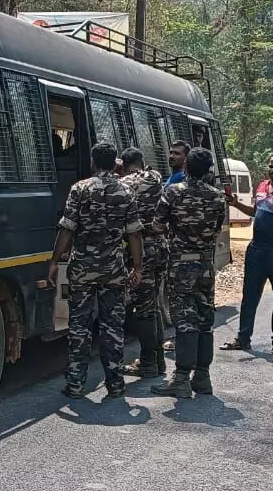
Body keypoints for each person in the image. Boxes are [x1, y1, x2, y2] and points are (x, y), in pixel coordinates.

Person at [49, 141, 144, 399]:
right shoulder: (126, 191)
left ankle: (76, 384)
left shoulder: (79, 189)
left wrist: (54, 262)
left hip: (82, 270)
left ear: (92, 162)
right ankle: (115, 384)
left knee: (79, 326)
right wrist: (137, 268)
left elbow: (67, 228)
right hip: (113, 270)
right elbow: (135, 234)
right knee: (112, 327)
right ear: (116, 163)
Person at [150, 147, 227, 398]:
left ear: (185, 168)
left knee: (184, 321)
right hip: (205, 266)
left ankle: (181, 379)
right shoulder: (217, 197)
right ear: (209, 171)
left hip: (181, 266)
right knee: (205, 319)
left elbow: (157, 224)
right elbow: (216, 229)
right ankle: (203, 377)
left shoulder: (172, 192)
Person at [221, 153, 273, 355]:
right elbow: (255, 212)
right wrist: (235, 203)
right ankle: (243, 338)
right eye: (271, 166)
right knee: (249, 296)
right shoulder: (262, 187)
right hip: (255, 249)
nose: (272, 170)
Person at [118, 147, 167, 378]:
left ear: (125, 166)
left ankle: (148, 363)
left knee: (143, 309)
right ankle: (158, 361)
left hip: (142, 250)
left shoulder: (124, 184)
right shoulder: (156, 177)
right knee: (154, 304)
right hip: (160, 247)